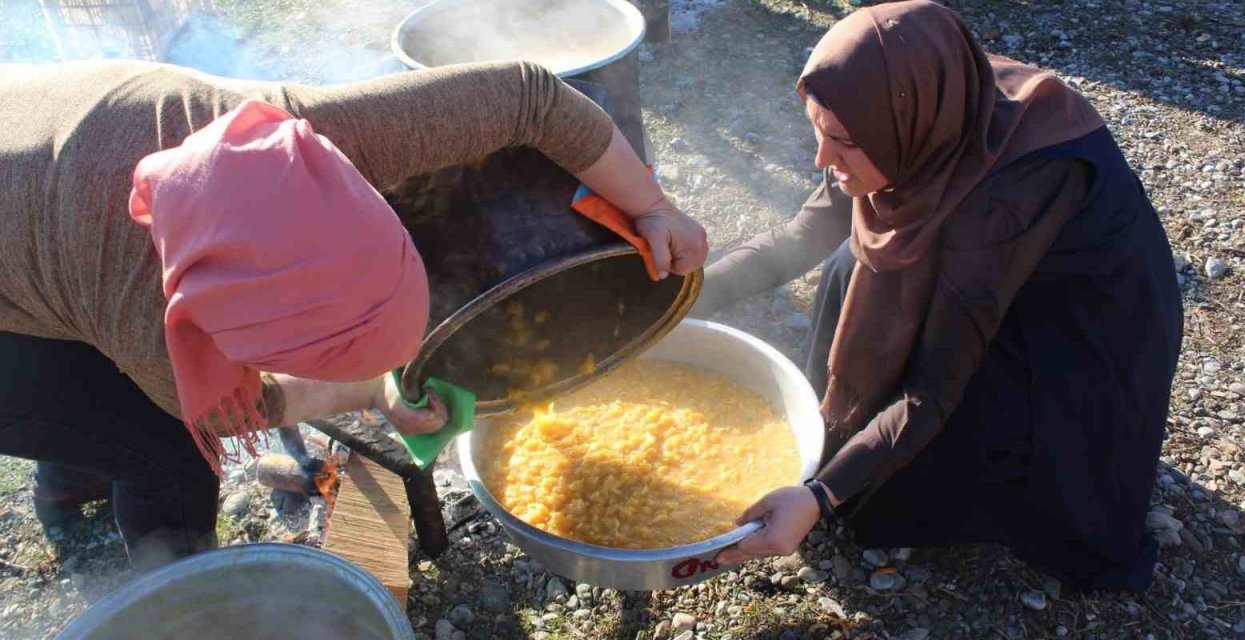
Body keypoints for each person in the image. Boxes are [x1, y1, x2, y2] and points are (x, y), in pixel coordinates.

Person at [0, 59, 707, 570]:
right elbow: (241, 408)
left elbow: (531, 96)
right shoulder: (151, 332)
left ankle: (72, 475)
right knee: (162, 452)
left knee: (99, 395)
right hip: (23, 274)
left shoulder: (306, 141)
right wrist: (375, 392)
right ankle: (184, 596)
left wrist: (652, 206)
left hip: (36, 132)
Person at [705, 0, 1182, 592]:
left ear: (900, 129)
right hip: (987, 270)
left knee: (923, 474)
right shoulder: (912, 105)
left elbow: (933, 388)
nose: (822, 159)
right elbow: (803, 233)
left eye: (842, 141)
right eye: (817, 130)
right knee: (849, 261)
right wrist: (682, 302)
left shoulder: (1005, 197)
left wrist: (822, 495)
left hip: (1071, 329)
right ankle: (856, 445)